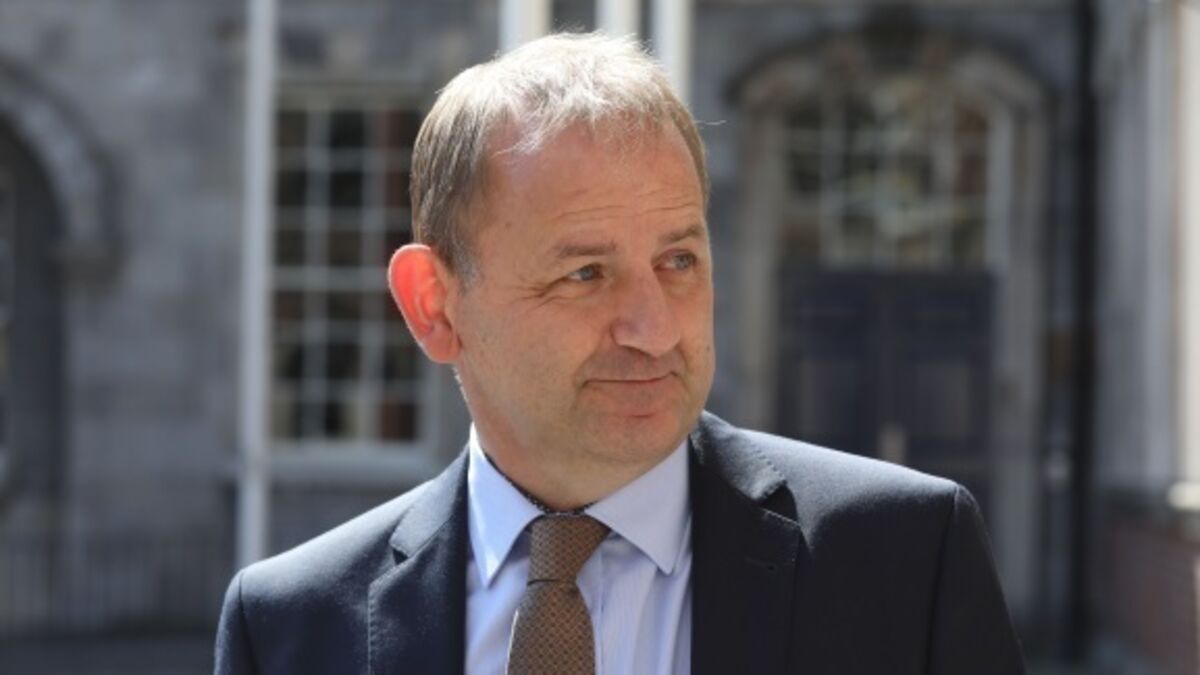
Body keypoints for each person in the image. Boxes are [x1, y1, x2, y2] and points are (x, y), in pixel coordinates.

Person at [215, 33, 1025, 675]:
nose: (655, 328)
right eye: (585, 274)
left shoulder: (906, 560)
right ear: (435, 305)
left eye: (678, 260)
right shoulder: (289, 626)